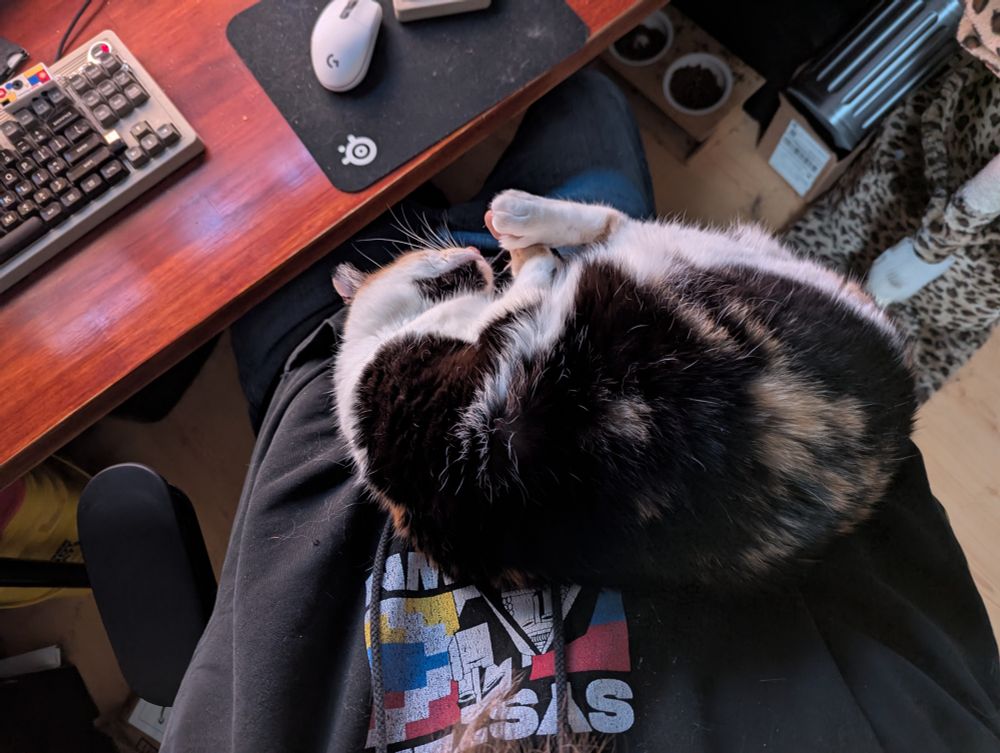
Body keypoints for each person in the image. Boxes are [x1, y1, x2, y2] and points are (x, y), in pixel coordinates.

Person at [161, 70, 1000, 753]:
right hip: (591, 304)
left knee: (247, 152)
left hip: (331, 353)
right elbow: (868, 430)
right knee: (581, 99)